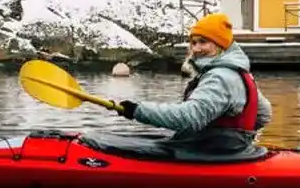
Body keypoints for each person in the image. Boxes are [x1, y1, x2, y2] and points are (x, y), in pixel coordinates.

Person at [114, 12, 272, 154]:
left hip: (213, 152)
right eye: (193, 43)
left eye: (203, 42)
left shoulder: (220, 77)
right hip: (232, 149)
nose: (196, 49)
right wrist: (238, 137)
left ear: (220, 45)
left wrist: (137, 110)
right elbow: (263, 114)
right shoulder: (238, 71)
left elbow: (189, 118)